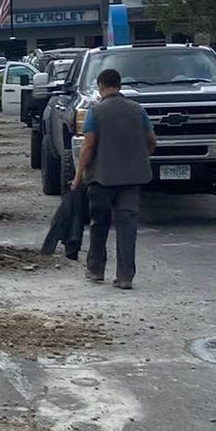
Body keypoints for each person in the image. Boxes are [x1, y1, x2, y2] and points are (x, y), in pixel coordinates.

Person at [72, 67, 156, 289]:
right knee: (127, 225)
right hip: (132, 179)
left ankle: (96, 270)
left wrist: (78, 176)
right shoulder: (138, 110)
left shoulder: (95, 112)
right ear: (119, 85)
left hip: (102, 179)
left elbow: (88, 146)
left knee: (100, 223)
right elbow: (152, 140)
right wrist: (139, 158)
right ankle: (126, 276)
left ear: (101, 86)